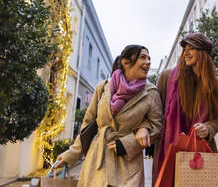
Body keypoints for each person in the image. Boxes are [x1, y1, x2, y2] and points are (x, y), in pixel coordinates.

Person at [56, 45, 163, 187]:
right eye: (143, 57)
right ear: (125, 62)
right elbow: (88, 125)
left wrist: (129, 143)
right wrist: (71, 154)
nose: (148, 62)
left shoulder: (151, 93)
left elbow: (157, 126)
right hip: (97, 161)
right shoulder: (103, 87)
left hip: (128, 166)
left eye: (149, 58)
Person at [154, 32, 218, 182]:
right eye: (185, 49)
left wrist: (208, 128)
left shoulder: (215, 83)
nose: (186, 52)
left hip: (200, 149)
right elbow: (156, 113)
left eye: (192, 48)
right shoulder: (167, 77)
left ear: (203, 52)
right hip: (169, 148)